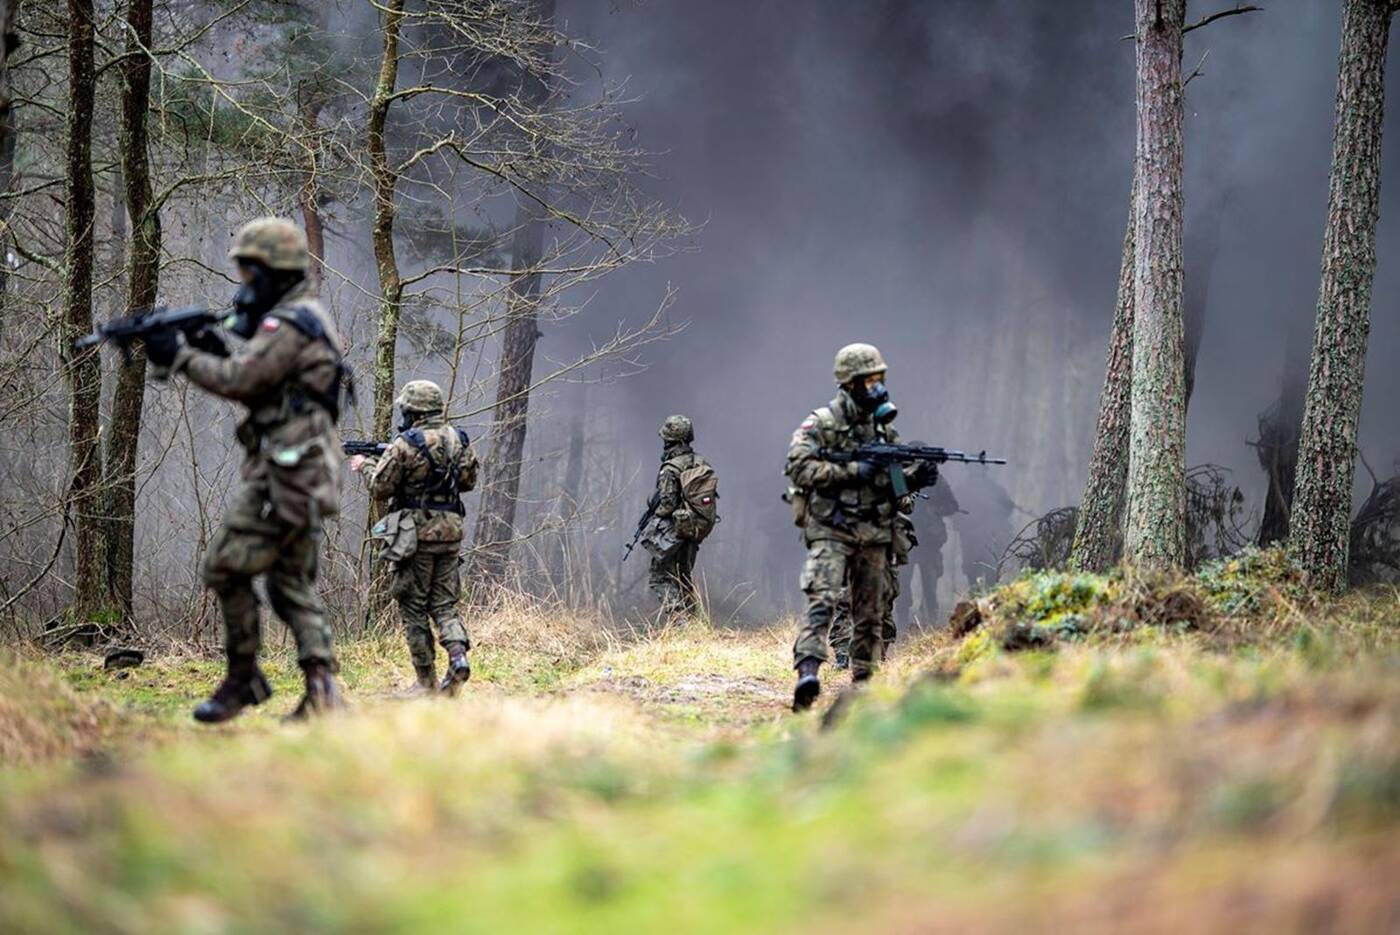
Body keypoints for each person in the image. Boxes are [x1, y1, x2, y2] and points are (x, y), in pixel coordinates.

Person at [146, 218, 347, 723]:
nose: (246, 284)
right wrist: (210, 344)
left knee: (223, 566)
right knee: (288, 583)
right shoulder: (301, 317)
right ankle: (324, 693)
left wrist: (182, 356)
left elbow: (243, 379)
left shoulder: (291, 322)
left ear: (276, 272)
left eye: (252, 273)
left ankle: (242, 678)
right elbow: (267, 384)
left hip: (285, 474)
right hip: (302, 468)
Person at [785, 343, 937, 710]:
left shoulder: (884, 432)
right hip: (831, 529)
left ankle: (863, 687)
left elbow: (895, 487)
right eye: (868, 379)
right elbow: (798, 468)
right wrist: (853, 471)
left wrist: (916, 477)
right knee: (822, 599)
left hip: (873, 533)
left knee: (871, 613)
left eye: (879, 378)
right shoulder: (821, 423)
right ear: (848, 383)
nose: (876, 386)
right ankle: (808, 672)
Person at [350, 380, 478, 695]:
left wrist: (365, 466)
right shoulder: (458, 439)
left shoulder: (405, 443)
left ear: (413, 410)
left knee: (413, 606)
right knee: (445, 605)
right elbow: (468, 482)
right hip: (450, 532)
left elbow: (381, 488)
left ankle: (425, 683)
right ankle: (458, 657)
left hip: (415, 536)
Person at [640, 414, 718, 616]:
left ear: (670, 440)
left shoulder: (670, 468)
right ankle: (694, 623)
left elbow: (667, 505)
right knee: (683, 576)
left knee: (660, 577)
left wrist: (653, 516)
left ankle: (680, 623)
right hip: (696, 527)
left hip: (675, 531)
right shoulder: (700, 462)